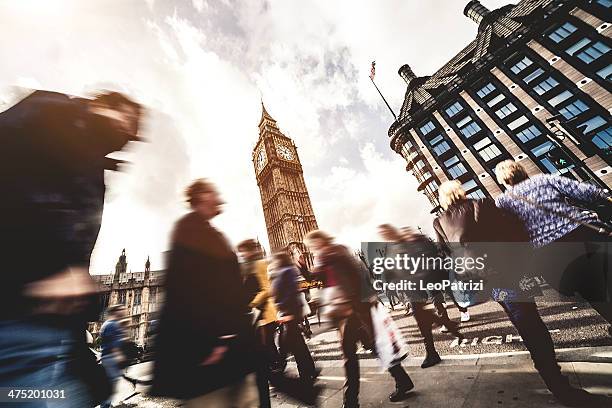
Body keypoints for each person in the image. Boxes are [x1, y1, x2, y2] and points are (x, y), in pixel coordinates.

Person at [0, 90, 142, 407]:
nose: (129, 135)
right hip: (16, 319)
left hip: (48, 329)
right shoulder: (53, 113)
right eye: (127, 120)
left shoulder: (90, 157)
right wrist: (44, 272)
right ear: (103, 104)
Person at [434, 180, 609, 406]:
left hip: (487, 281)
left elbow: (444, 254)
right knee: (533, 325)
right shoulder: (483, 204)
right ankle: (561, 389)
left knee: (524, 324)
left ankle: (555, 383)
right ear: (461, 192)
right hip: (510, 272)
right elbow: (513, 231)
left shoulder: (438, 222)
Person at [151, 179, 260, 408]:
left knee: (246, 400)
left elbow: (225, 288)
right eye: (213, 192)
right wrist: (209, 343)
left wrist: (249, 287)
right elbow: (184, 289)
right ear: (201, 196)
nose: (219, 197)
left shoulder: (212, 232)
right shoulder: (189, 228)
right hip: (208, 354)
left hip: (232, 348)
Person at [494, 160, 612, 326]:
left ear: (503, 180)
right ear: (522, 171)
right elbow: (586, 191)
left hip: (551, 253)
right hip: (582, 235)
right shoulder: (544, 179)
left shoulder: (503, 201)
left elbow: (510, 232)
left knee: (591, 291)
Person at [304, 230, 414, 407]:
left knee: (350, 358)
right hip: (349, 312)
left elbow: (355, 275)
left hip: (351, 312)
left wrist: (350, 302)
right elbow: (316, 276)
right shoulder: (329, 255)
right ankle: (402, 380)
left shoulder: (334, 253)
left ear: (320, 241)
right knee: (373, 347)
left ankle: (351, 402)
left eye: (312, 244)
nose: (312, 248)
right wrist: (300, 264)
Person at [378, 224, 462, 368]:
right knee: (424, 319)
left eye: (384, 233)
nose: (383, 236)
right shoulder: (394, 245)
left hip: (417, 287)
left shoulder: (405, 242)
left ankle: (433, 352)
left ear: (390, 232)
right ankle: (447, 330)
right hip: (412, 288)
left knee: (423, 322)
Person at [237, 238, 281, 408]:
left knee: (261, 364)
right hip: (255, 319)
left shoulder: (260, 263)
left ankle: (293, 387)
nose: (242, 254)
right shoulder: (246, 267)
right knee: (260, 364)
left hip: (262, 318)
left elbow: (267, 289)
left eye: (243, 250)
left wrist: (251, 305)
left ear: (251, 250)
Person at [268, 251, 318, 385]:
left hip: (290, 313)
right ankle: (308, 371)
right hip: (287, 313)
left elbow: (291, 293)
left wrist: (290, 314)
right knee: (297, 345)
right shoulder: (282, 271)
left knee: (286, 344)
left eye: (275, 259)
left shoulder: (287, 271)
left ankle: (285, 369)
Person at [100, 305, 128, 408]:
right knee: (110, 387)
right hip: (111, 359)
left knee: (109, 386)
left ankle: (107, 405)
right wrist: (120, 357)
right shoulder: (113, 325)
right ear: (115, 311)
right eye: (122, 309)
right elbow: (114, 345)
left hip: (107, 358)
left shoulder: (107, 324)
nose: (125, 311)